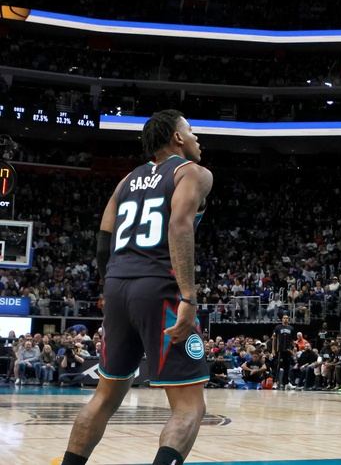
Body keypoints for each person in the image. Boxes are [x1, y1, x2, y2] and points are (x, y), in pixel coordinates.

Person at [60, 110, 213, 465]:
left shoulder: (127, 180)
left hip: (117, 285)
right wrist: (188, 296)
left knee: (104, 397)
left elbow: (102, 243)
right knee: (190, 406)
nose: (196, 139)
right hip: (159, 288)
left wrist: (111, 287)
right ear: (177, 138)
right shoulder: (192, 172)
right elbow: (179, 225)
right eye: (191, 131)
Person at [271, 314, 295, 388]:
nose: (285, 319)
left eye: (287, 318)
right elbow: (274, 339)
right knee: (277, 366)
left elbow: (292, 340)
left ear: (288, 319)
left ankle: (286, 382)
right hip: (279, 349)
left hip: (287, 350)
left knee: (287, 366)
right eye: (284, 318)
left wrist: (293, 348)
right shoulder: (278, 327)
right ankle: (275, 382)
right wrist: (273, 349)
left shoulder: (291, 328)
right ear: (282, 319)